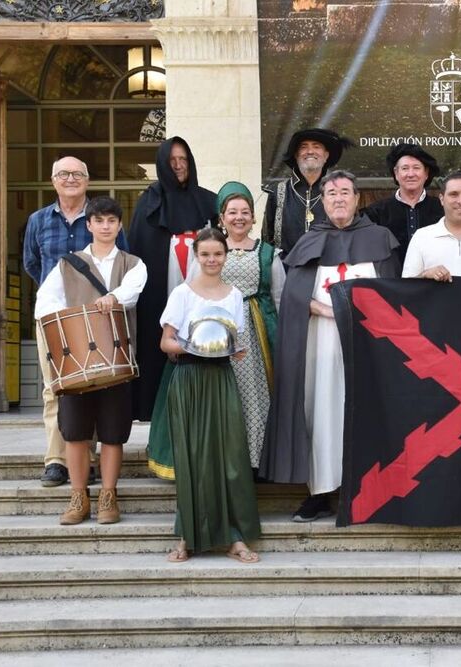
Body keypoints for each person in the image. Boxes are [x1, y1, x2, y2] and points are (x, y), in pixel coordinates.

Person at [260, 170, 400, 522]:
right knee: (322, 412)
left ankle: (367, 489)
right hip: (319, 345)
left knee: (367, 412)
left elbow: (396, 294)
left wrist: (357, 314)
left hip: (369, 344)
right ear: (323, 201)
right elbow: (292, 298)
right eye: (332, 193)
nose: (339, 198)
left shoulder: (380, 238)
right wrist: (330, 311)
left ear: (357, 198)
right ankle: (320, 493)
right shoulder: (309, 242)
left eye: (345, 192)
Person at [146, 182, 284, 478]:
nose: (239, 217)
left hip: (254, 332)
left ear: (253, 217)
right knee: (218, 397)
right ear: (221, 216)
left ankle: (253, 462)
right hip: (210, 332)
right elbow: (192, 291)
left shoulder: (268, 253)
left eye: (245, 211)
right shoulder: (209, 249)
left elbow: (278, 297)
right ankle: (217, 461)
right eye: (232, 211)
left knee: (253, 399)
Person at [33, 196, 146, 525]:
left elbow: (132, 291)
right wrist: (68, 325)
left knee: (113, 434)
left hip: (115, 363)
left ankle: (109, 497)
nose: (106, 226)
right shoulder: (67, 264)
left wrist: (112, 298)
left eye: (112, 221)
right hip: (76, 364)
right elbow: (45, 303)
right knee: (75, 434)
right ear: (89, 225)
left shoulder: (133, 264)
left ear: (119, 225)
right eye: (99, 221)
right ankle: (78, 497)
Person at [160, 227, 261, 564]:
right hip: (189, 378)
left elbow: (237, 343)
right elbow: (166, 342)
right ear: (197, 256)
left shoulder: (233, 295)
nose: (212, 260)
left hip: (221, 378)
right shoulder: (182, 293)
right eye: (205, 254)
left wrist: (234, 350)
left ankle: (235, 537)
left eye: (218, 253)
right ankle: (187, 536)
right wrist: (194, 346)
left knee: (229, 458)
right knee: (192, 459)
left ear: (225, 255)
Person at [23, 156, 127, 487]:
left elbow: (120, 260)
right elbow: (32, 263)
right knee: (54, 388)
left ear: (87, 180)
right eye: (63, 174)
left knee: (94, 385)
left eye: (78, 174)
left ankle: (89, 460)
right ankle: (57, 460)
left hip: (93, 316)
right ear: (53, 180)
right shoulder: (38, 221)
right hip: (52, 317)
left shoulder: (101, 220)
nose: (70, 179)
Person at [129, 137, 217, 424]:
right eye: (173, 161)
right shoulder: (148, 202)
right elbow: (139, 249)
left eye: (184, 160)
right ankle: (156, 409)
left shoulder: (208, 200)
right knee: (159, 343)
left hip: (201, 291)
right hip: (159, 290)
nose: (179, 166)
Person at [262, 128, 352, 256]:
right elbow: (267, 240)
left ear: (326, 155)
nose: (310, 151)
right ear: (296, 154)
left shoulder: (339, 193)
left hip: (328, 270)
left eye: (316, 147)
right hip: (287, 271)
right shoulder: (278, 192)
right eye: (304, 147)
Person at [362, 142, 443, 267]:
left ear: (426, 173)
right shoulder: (376, 213)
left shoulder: (442, 209)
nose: (410, 174)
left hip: (435, 282)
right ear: (396, 173)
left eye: (416, 168)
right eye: (405, 168)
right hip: (391, 283)